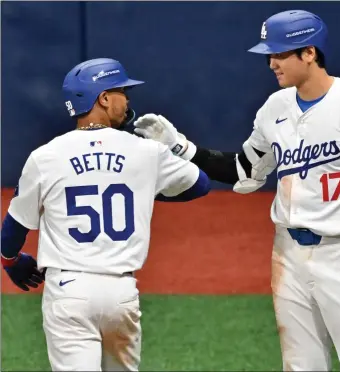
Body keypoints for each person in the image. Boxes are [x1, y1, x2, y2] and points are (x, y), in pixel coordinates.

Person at [133, 10, 340, 371]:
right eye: (269, 55)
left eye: (279, 54)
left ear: (309, 53)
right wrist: (182, 147)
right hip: (288, 255)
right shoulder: (274, 109)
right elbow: (245, 173)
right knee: (299, 366)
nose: (271, 63)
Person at [1, 57, 210, 371]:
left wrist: (11, 261)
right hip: (121, 294)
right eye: (122, 92)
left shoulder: (45, 156)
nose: (128, 100)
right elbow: (199, 184)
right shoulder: (146, 151)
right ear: (104, 98)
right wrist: (158, 168)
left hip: (68, 291)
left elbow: (13, 228)